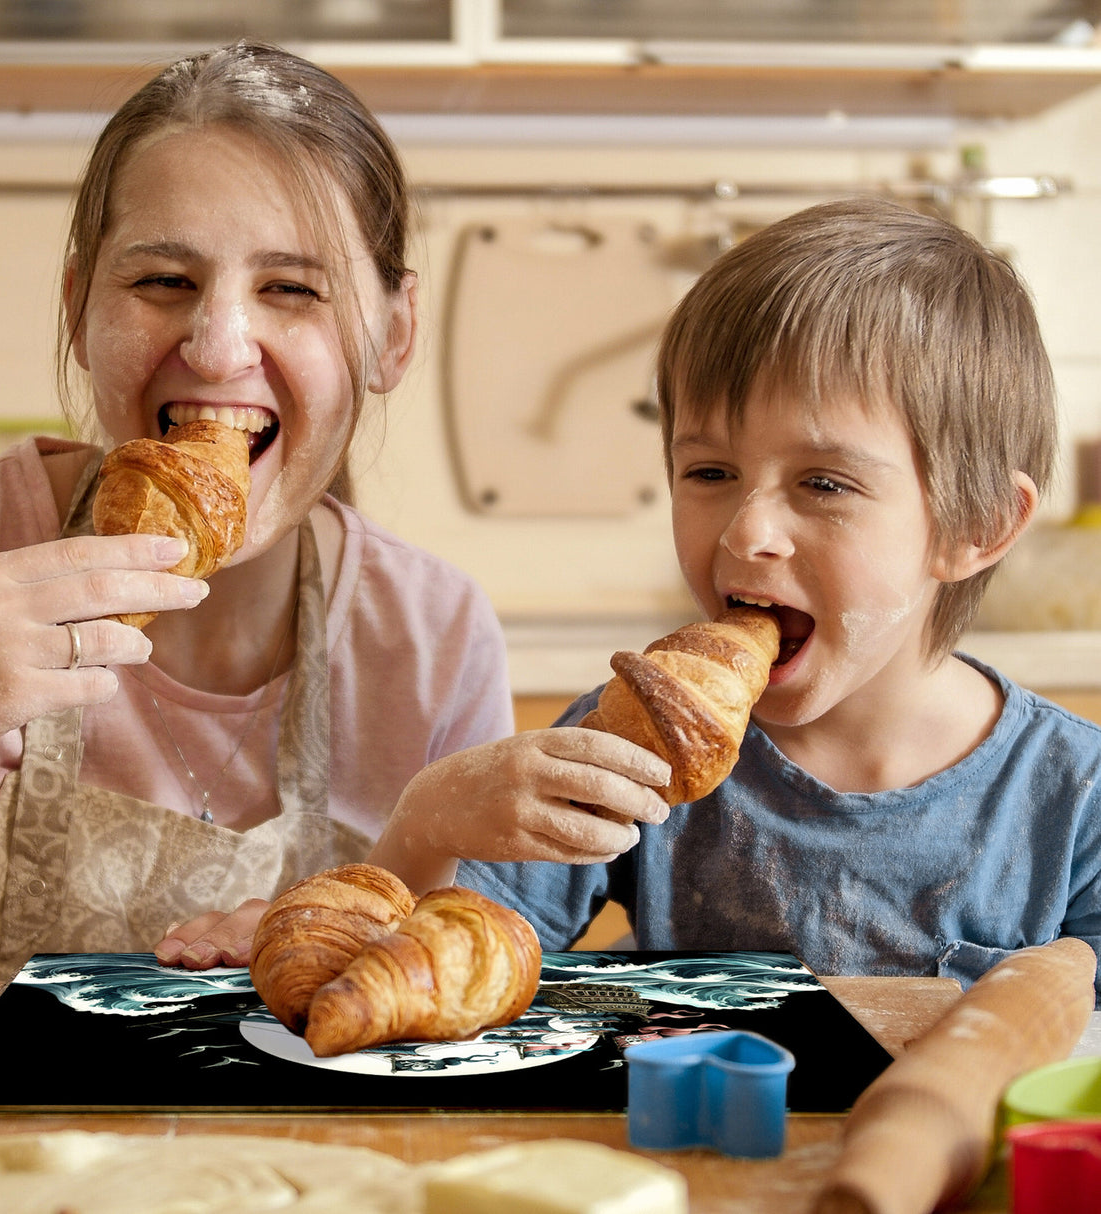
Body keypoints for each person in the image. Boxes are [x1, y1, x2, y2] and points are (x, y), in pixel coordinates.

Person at [0, 40, 519, 981]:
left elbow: (466, 987)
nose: (221, 347)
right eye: (162, 282)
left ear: (392, 335)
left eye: (292, 289)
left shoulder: (431, 639)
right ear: (77, 308)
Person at [373, 196, 1101, 997]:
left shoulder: (1075, 798)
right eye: (711, 473)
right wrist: (427, 819)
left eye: (824, 482)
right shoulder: (635, 741)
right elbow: (440, 973)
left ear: (978, 524)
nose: (746, 531)